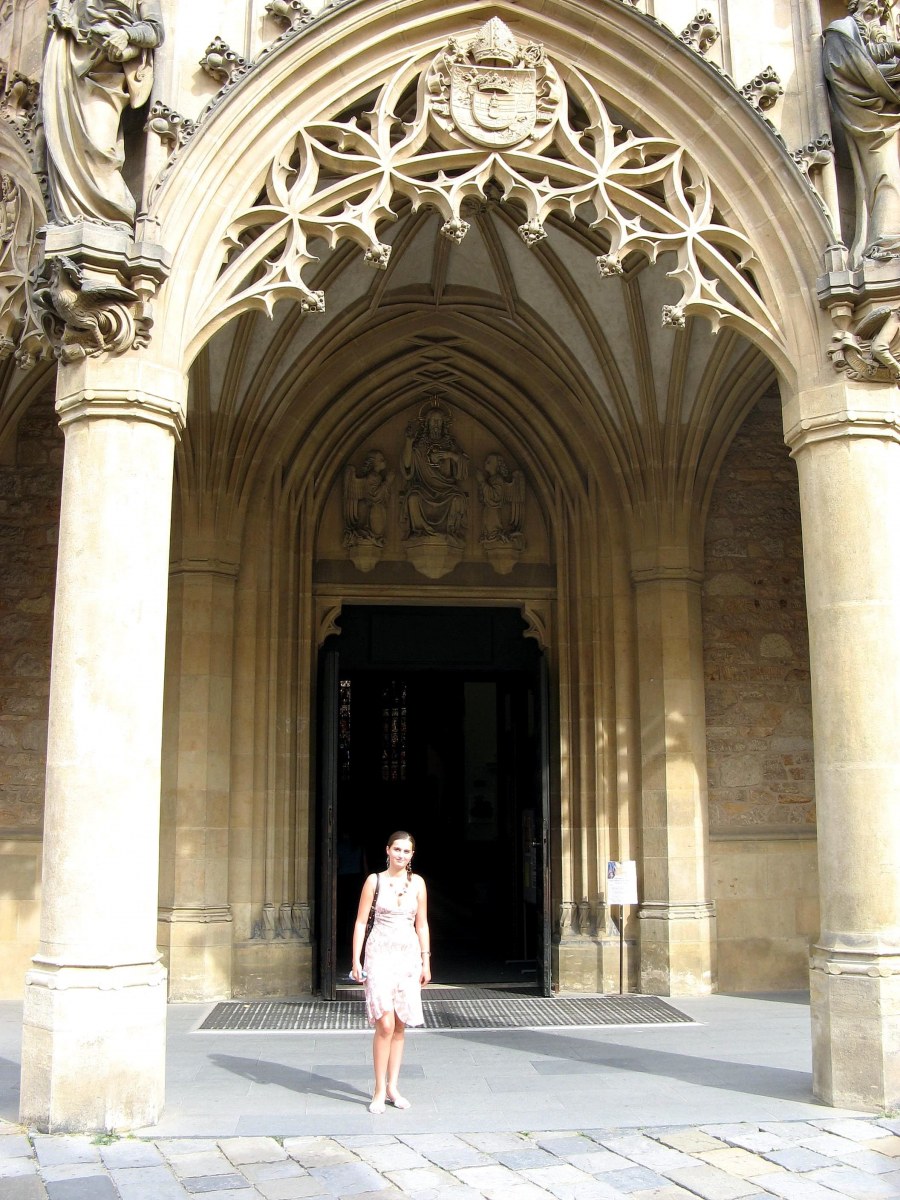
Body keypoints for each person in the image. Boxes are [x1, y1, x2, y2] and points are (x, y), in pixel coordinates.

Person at [41, 0, 164, 227]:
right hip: (71, 63)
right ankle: (72, 214)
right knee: (66, 139)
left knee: (99, 146)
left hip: (106, 74)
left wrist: (126, 35)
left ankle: (108, 215)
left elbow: (155, 30)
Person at [350, 830, 430, 1113]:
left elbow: (422, 924)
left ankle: (393, 1086)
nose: (401, 855)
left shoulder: (418, 883)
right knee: (384, 1023)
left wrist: (426, 960)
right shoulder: (375, 881)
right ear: (387, 850)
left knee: (399, 1023)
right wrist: (356, 960)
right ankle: (378, 1088)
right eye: (397, 849)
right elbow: (361, 922)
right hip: (380, 954)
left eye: (406, 851)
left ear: (412, 855)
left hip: (407, 956)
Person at [823, 1, 900, 259]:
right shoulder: (841, 32)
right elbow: (854, 67)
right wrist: (892, 51)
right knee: (886, 176)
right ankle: (886, 240)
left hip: (888, 115)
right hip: (873, 123)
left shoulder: (878, 31)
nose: (877, 6)